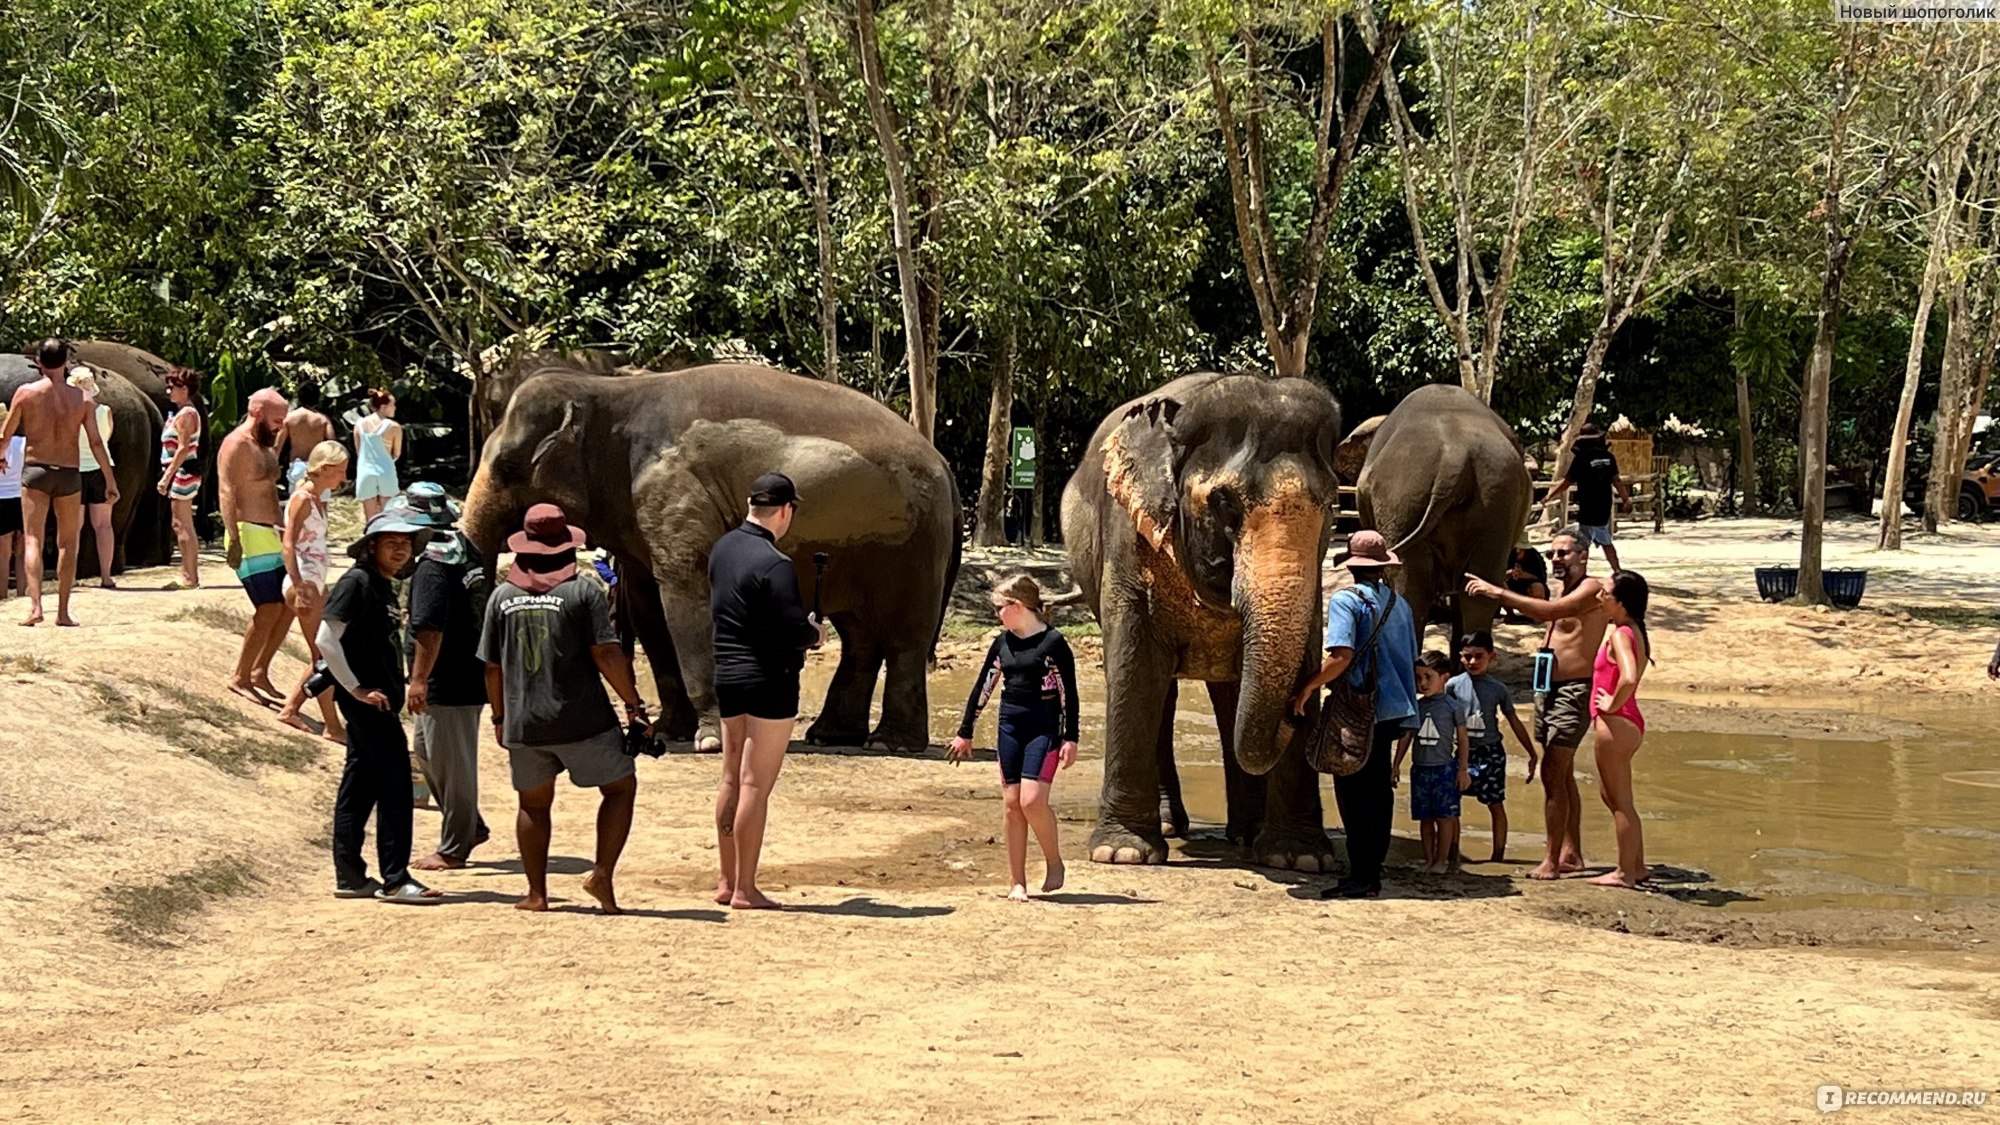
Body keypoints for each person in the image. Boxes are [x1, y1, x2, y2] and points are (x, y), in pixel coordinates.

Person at [479, 503, 646, 914]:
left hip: (524, 722)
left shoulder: (501, 598)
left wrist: (501, 718)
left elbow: (492, 669)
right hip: (582, 719)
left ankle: (537, 894)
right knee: (620, 788)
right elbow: (606, 654)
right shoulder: (583, 591)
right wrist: (633, 704)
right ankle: (602, 874)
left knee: (533, 805)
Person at [708, 471, 828, 911]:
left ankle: (725, 879)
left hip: (727, 675)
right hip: (769, 681)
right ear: (785, 510)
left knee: (730, 778)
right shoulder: (774, 563)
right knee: (755, 785)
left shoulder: (722, 549)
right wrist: (814, 635)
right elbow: (793, 629)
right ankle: (745, 888)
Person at [1464, 527, 1610, 880]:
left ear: (1583, 556)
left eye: (1563, 553)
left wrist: (1498, 592)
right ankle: (1571, 852)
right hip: (1547, 688)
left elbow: (1547, 613)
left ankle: (1551, 861)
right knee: (1562, 775)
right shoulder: (1560, 588)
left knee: (1552, 774)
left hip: (1574, 690)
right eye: (1552, 554)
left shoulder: (1592, 587)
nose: (1556, 559)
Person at [318, 501, 441, 903]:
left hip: (377, 702)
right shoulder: (357, 582)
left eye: (406, 544)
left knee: (359, 786)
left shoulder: (381, 584)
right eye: (391, 543)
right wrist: (354, 688)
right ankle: (395, 878)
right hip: (368, 703)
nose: (401, 550)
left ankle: (350, 876)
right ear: (371, 546)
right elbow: (325, 639)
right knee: (394, 787)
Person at [1291, 530, 1419, 900]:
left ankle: (1362, 875)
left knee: (1353, 788)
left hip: (1360, 707)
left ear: (1351, 565)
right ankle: (1371, 868)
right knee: (1379, 790)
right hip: (1395, 708)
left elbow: (1341, 656)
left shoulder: (1347, 601)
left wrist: (1309, 686)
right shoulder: (1400, 603)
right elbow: (1409, 657)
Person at [948, 575, 1080, 902]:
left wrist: (1070, 738)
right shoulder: (1002, 643)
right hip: (1010, 724)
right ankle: (1017, 882)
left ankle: (1054, 862)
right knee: (1012, 805)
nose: (997, 615)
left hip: (1043, 727)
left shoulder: (1053, 644)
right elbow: (984, 687)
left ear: (1018, 606)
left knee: (1032, 801)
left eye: (1000, 608)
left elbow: (1069, 695)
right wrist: (966, 731)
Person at [405, 482, 493, 872]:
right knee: (428, 753)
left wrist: (418, 678)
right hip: (465, 672)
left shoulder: (433, 565)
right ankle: (469, 823)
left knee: (453, 764)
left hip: (447, 678)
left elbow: (429, 626)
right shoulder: (465, 550)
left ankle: (455, 845)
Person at [0, 338, 118, 626]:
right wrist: (109, 480)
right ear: (66, 362)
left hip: (36, 471)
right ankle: (63, 612)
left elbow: (5, 435)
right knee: (68, 543)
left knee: (32, 539)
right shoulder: (83, 399)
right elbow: (96, 442)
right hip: (69, 473)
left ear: (39, 362)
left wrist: (1, 456)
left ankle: (36, 607)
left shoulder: (26, 394)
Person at [218, 387, 296, 701]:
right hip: (248, 533)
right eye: (277, 419)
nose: (281, 426)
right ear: (257, 413)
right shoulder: (236, 444)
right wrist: (233, 539)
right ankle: (240, 676)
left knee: (289, 605)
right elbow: (226, 491)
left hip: (271, 534)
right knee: (268, 608)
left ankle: (259, 670)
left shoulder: (264, 444)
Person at [275, 441, 349, 742]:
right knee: (324, 656)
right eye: (340, 471)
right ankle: (330, 725)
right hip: (303, 580)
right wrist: (298, 583)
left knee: (323, 653)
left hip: (314, 580)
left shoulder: (318, 499)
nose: (343, 478)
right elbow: (288, 543)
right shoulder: (302, 498)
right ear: (326, 469)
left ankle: (294, 708)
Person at [1448, 632, 1538, 863]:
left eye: (1479, 656)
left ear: (1492, 657)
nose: (1473, 662)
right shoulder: (1453, 686)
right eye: (1467, 657)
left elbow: (1514, 721)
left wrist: (1531, 752)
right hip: (1464, 754)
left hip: (1491, 753)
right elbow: (1442, 718)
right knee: (1451, 803)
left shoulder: (1498, 689)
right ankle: (1452, 854)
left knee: (1495, 803)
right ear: (1460, 657)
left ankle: (1498, 856)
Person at [1590, 570, 1653, 888]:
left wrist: (1611, 705)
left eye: (1605, 594)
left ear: (1622, 602)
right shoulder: (1632, 629)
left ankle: (1625, 873)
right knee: (1612, 796)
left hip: (1617, 723)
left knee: (1621, 801)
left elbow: (1628, 677)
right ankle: (1637, 866)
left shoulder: (1621, 634)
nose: (1600, 598)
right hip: (1626, 723)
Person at [1393, 651, 1470, 875]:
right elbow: (1406, 737)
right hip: (1420, 769)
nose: (1423, 683)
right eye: (1419, 678)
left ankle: (1442, 860)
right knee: (1424, 818)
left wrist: (1463, 769)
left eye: (1428, 677)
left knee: (1445, 818)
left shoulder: (1453, 707)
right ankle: (1428, 859)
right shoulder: (1417, 707)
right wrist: (1396, 764)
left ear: (1444, 677)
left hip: (1445, 769)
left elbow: (1463, 740)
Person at [1541, 423, 1631, 573]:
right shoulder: (1608, 457)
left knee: (1583, 543)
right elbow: (1617, 480)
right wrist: (1626, 499)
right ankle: (1617, 570)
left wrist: (1549, 496)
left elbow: (1567, 482)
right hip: (1604, 506)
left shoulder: (1581, 459)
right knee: (1605, 541)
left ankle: (1582, 572)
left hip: (1588, 507)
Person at [69, 367, 117, 589]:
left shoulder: (69, 413)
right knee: (104, 525)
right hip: (101, 469)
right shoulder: (105, 411)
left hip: (74, 469)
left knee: (73, 527)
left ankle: (71, 576)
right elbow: (105, 439)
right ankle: (106, 576)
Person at [157, 366, 204, 590]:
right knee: (184, 524)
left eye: (173, 387)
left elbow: (183, 448)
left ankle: (189, 576)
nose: (169, 392)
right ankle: (190, 574)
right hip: (182, 471)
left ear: (184, 389)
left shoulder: (186, 415)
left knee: (181, 524)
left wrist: (167, 476)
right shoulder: (183, 412)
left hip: (182, 471)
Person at [353, 388, 402, 521]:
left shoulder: (359, 424)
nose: (395, 408)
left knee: (370, 518)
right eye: (393, 405)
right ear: (383, 407)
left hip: (365, 471)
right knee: (388, 517)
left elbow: (359, 451)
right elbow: (396, 453)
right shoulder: (394, 427)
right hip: (386, 471)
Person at [280, 403, 336, 495]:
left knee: (297, 502)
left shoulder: (290, 418)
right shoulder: (322, 419)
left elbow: (277, 446)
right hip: (317, 465)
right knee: (321, 504)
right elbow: (332, 445)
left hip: (297, 465)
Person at [0, 406, 23, 600]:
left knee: (3, 554)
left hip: (1, 499)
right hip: (23, 498)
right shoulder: (23, 443)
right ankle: (24, 594)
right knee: (23, 552)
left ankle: (2, 594)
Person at [1502, 546, 1549, 622]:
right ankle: (1510, 614)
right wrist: (1509, 573)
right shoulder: (1508, 554)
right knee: (1501, 585)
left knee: (1537, 587)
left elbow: (1542, 578)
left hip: (1529, 588)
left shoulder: (1534, 557)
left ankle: (1536, 615)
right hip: (1513, 587)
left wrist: (1525, 575)